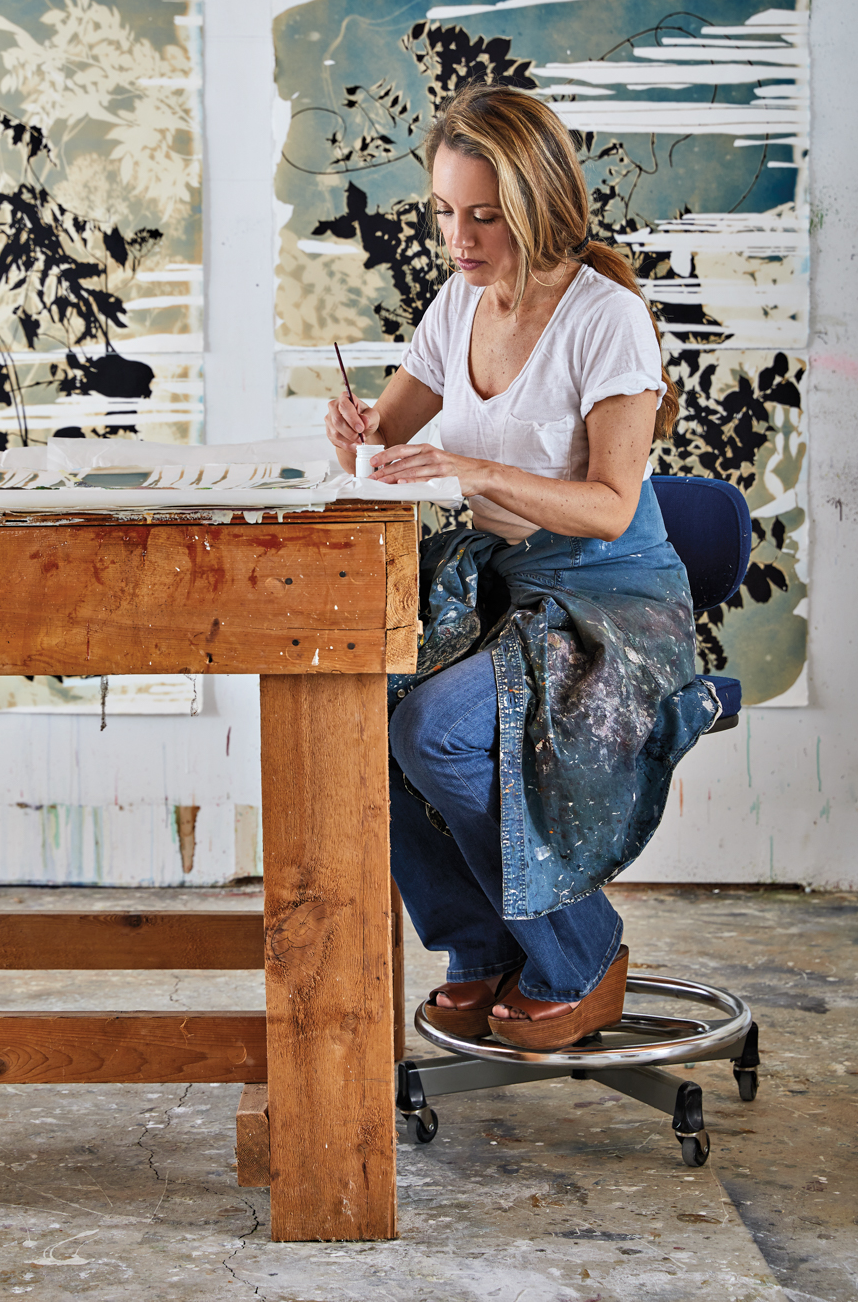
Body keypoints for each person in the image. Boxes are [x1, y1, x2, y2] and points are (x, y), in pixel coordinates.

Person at [325, 83, 718, 1051]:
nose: (460, 240)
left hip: (608, 590)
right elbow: (383, 449)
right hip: (501, 582)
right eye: (446, 213)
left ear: (537, 204)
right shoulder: (455, 302)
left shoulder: (604, 316)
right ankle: (480, 950)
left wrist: (469, 465)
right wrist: (352, 436)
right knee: (358, 711)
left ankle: (580, 954)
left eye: (485, 218)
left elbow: (610, 506)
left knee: (438, 732)